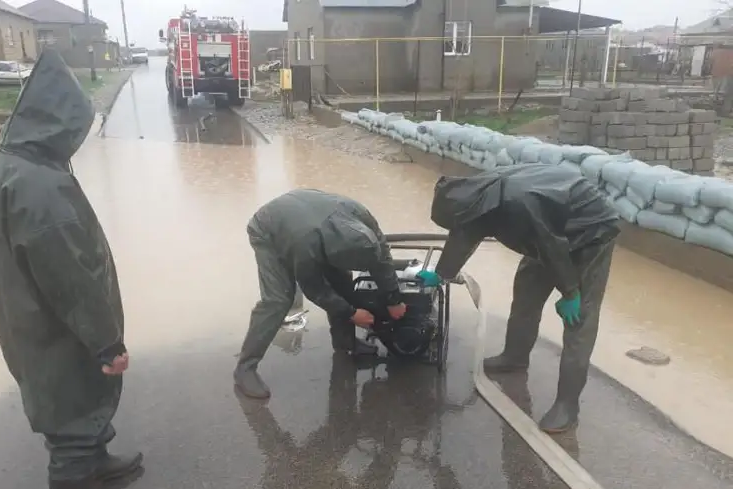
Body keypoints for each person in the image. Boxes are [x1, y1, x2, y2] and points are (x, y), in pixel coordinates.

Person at [0, 49, 141, 489]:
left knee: (73, 394)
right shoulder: (42, 187)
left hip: (20, 308)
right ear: (56, 122)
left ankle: (98, 462)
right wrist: (106, 341)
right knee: (71, 403)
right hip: (55, 320)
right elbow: (70, 276)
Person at [424, 164, 620, 433]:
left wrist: (570, 292)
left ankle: (567, 406)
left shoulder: (518, 203)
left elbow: (552, 246)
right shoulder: (478, 200)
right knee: (526, 291)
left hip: (590, 232)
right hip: (548, 229)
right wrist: (441, 274)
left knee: (578, 319)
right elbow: (465, 234)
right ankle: (515, 357)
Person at [235, 189, 407, 399]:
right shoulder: (305, 246)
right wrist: (351, 313)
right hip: (268, 228)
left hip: (307, 213)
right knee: (278, 300)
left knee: (343, 281)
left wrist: (393, 298)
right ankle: (245, 368)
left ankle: (345, 342)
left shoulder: (362, 217)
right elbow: (315, 288)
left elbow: (382, 259)